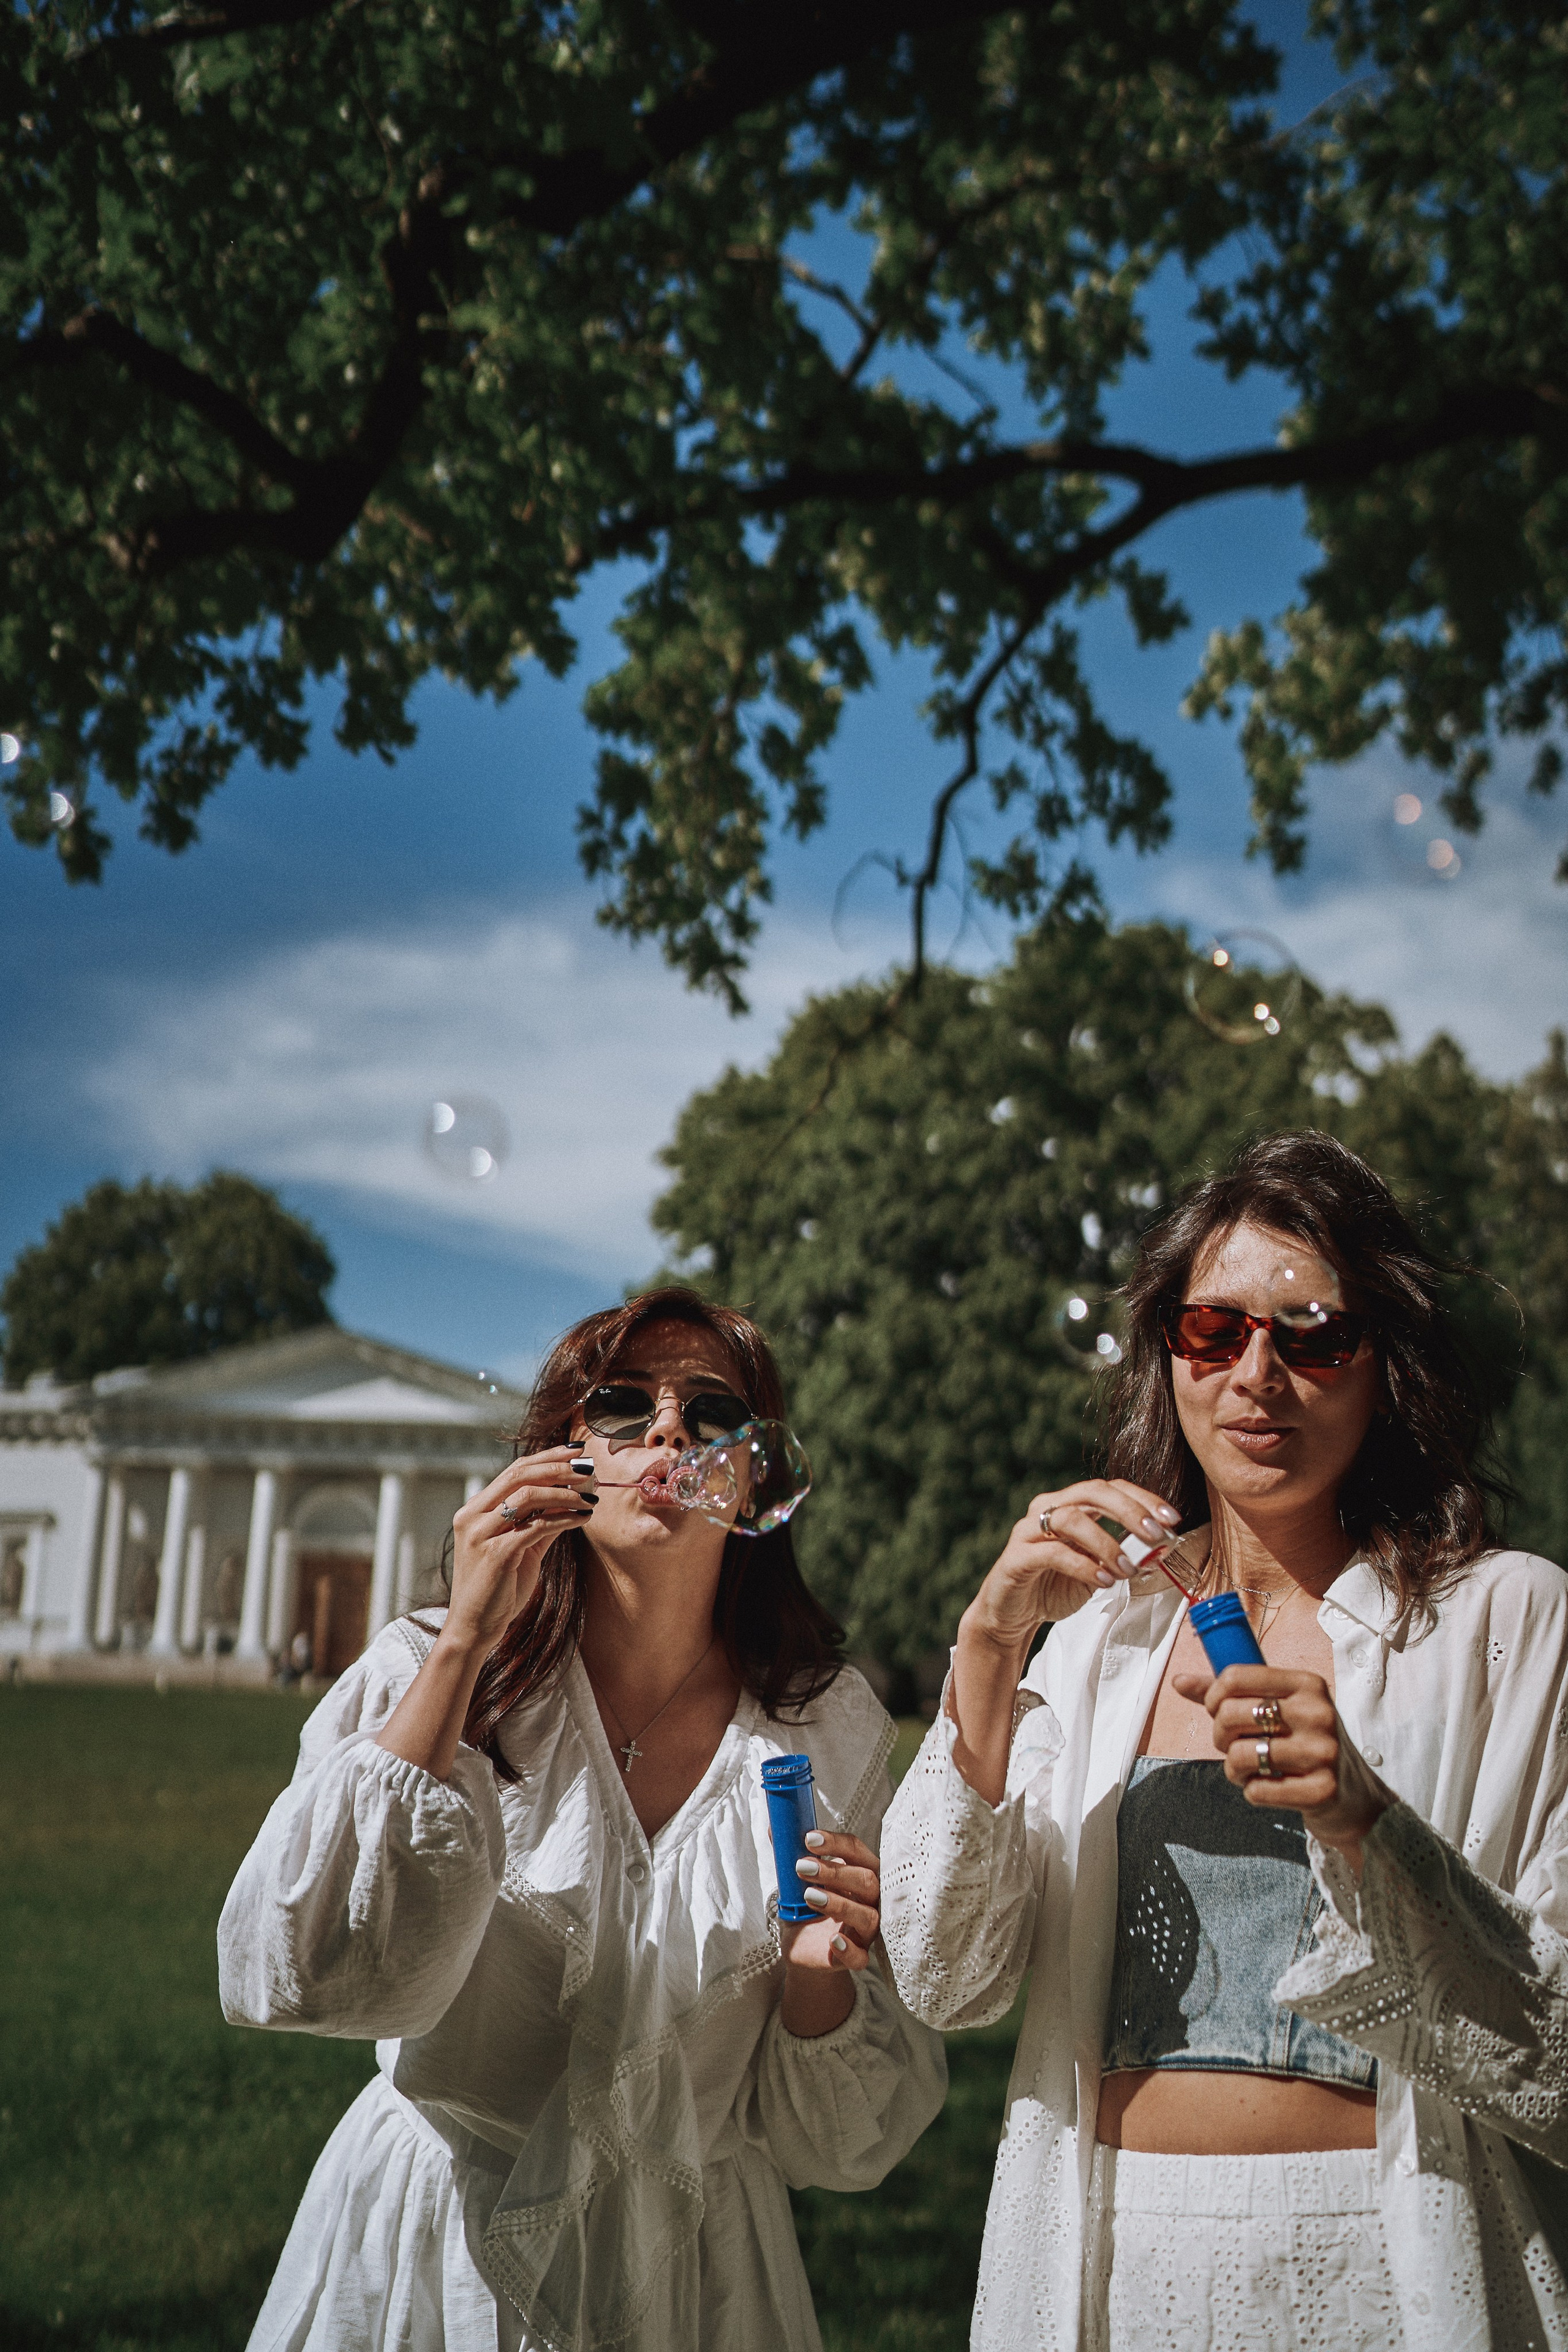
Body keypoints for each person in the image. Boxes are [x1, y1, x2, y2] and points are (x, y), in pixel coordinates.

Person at [880, 1130, 1568, 2351]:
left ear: (1381, 1366)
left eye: (1312, 1335)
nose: (1257, 1374)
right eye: (1213, 1331)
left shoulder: (1503, 1620)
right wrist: (986, 1647)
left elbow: (1556, 2060)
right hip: (1107, 2268)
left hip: (1382, 2270)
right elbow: (946, 1977)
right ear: (1167, 1354)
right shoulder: (1098, 1635)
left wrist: (1366, 1821)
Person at [219, 1286, 946, 2352]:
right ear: (566, 1455)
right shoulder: (431, 1668)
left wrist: (816, 1972)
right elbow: (303, 1972)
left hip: (700, 2274)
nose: (666, 1431)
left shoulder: (823, 1729)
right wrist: (469, 1636)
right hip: (438, 2258)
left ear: (753, 1470)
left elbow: (842, 2148)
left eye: (710, 1413)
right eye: (621, 1405)